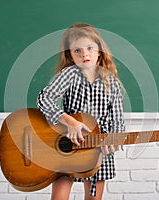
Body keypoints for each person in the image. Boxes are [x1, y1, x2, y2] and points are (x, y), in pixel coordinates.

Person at [37, 23, 125, 200]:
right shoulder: (69, 74)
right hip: (67, 146)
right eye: (77, 50)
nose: (84, 54)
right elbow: (43, 99)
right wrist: (70, 122)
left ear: (99, 51)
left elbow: (117, 122)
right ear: (70, 55)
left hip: (98, 150)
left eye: (90, 48)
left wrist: (113, 140)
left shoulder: (111, 83)